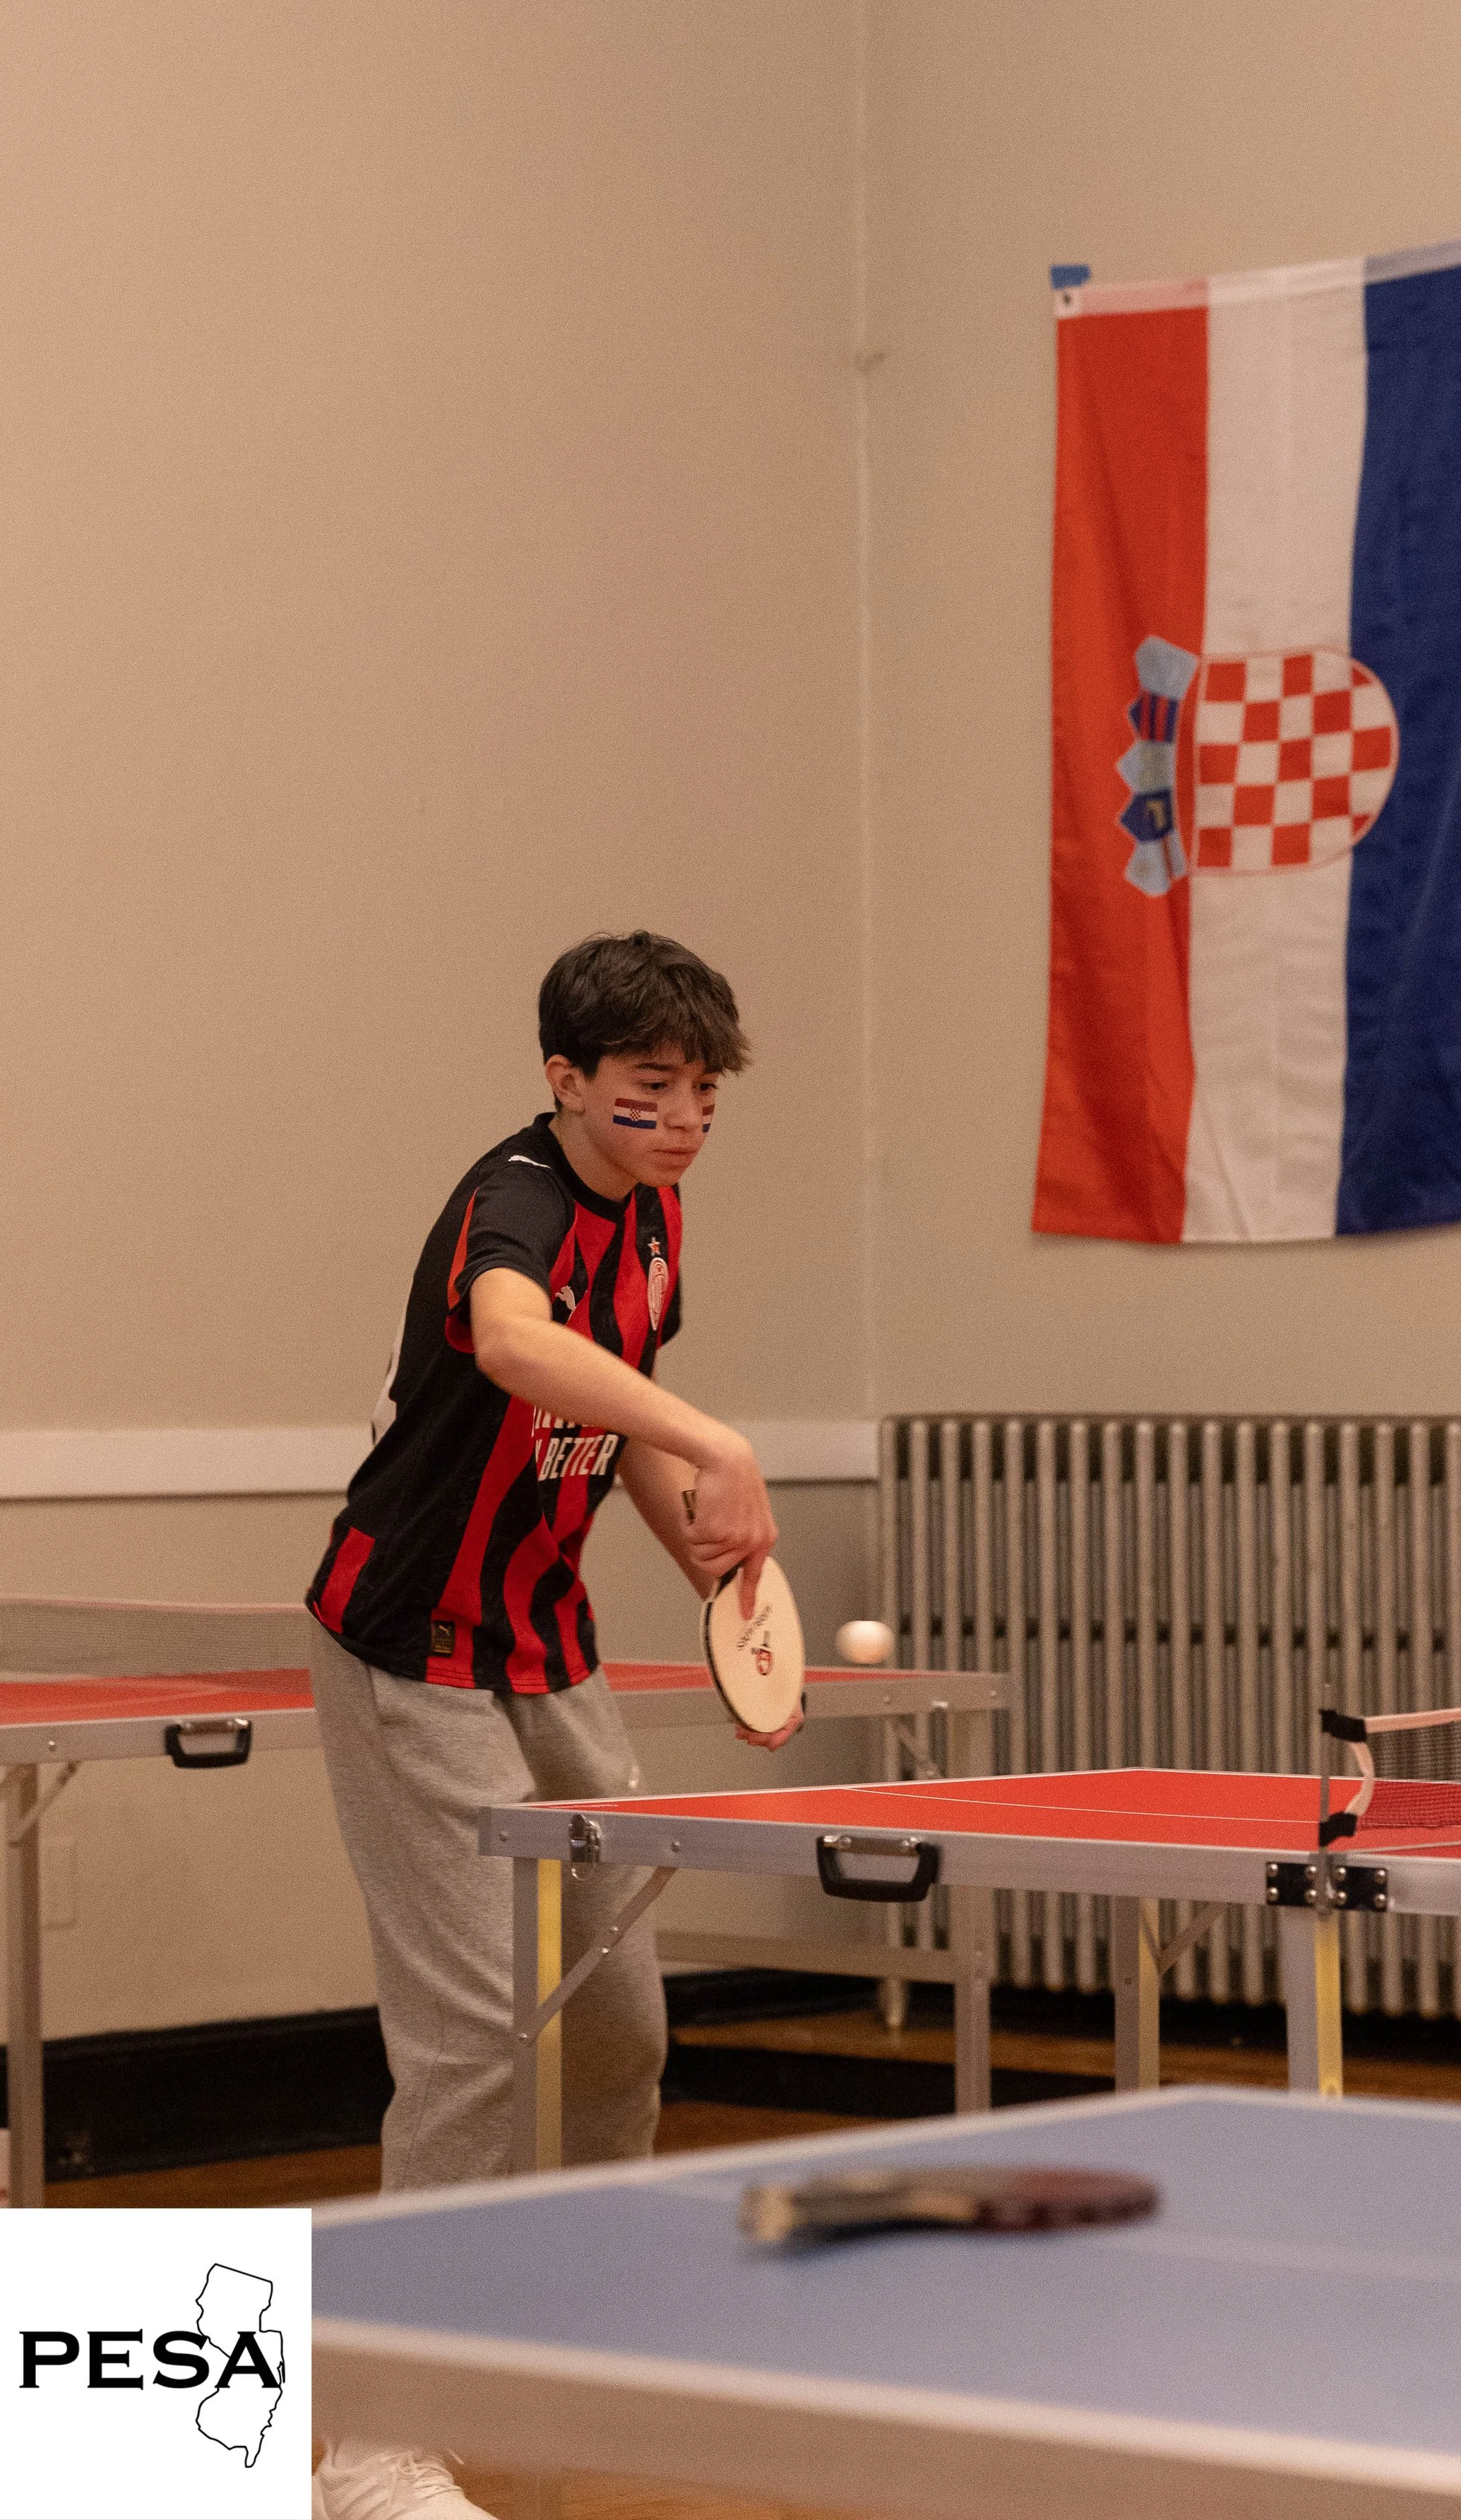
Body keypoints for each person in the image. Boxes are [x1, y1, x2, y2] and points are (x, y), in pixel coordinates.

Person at [305, 930, 789, 2520]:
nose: (683, 1120)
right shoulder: (507, 1202)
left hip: (545, 1649)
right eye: (652, 1088)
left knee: (615, 2023)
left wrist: (700, 1553)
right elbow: (518, 1344)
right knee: (472, 2038)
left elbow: (603, 1399)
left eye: (704, 1092)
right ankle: (372, 2437)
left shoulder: (651, 1215)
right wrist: (717, 1438)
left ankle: (559, 2344)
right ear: (564, 1079)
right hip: (413, 1651)